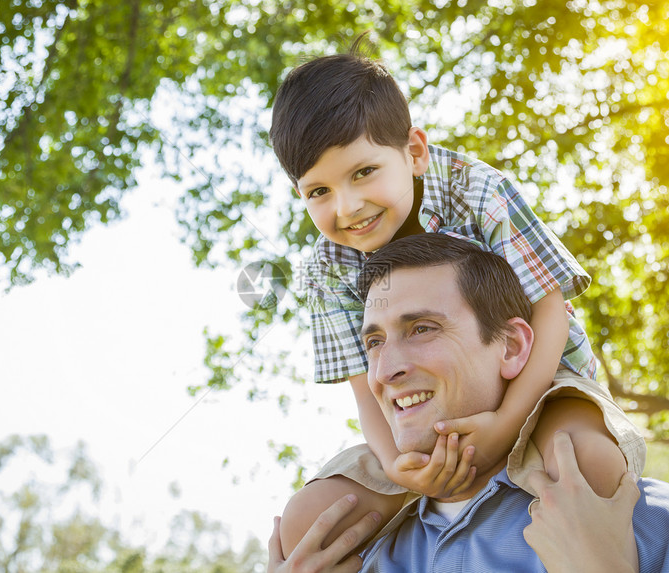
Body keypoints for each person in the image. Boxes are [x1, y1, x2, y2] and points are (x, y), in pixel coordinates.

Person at [269, 35, 646, 557]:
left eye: (363, 172)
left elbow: (549, 310)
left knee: (588, 465)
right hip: (421, 416)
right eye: (319, 192)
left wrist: (503, 427)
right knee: (307, 525)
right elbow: (365, 386)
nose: (348, 206)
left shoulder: (478, 191)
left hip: (541, 385)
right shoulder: (327, 269)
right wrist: (401, 463)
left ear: (415, 152)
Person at [268, 234, 669, 573]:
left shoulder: (652, 524)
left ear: (510, 347)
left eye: (422, 329)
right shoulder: (342, 558)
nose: (386, 370)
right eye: (373, 342)